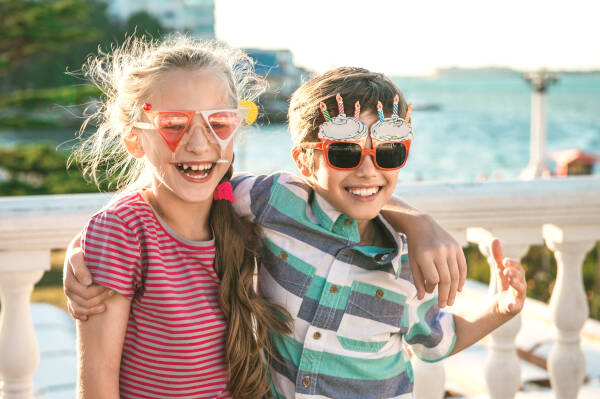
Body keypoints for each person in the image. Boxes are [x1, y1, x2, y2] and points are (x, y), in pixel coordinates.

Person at [63, 66, 516, 399]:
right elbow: (174, 191)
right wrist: (86, 247)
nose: (367, 167)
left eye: (389, 151)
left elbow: (437, 339)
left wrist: (493, 305)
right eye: (342, 150)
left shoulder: (404, 266)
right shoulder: (272, 201)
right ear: (304, 162)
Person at [71, 35, 292, 398]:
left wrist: (417, 223)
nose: (198, 144)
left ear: (236, 129)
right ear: (134, 139)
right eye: (173, 124)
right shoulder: (123, 231)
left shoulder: (247, 210)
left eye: (218, 123)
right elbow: (97, 380)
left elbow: (338, 198)